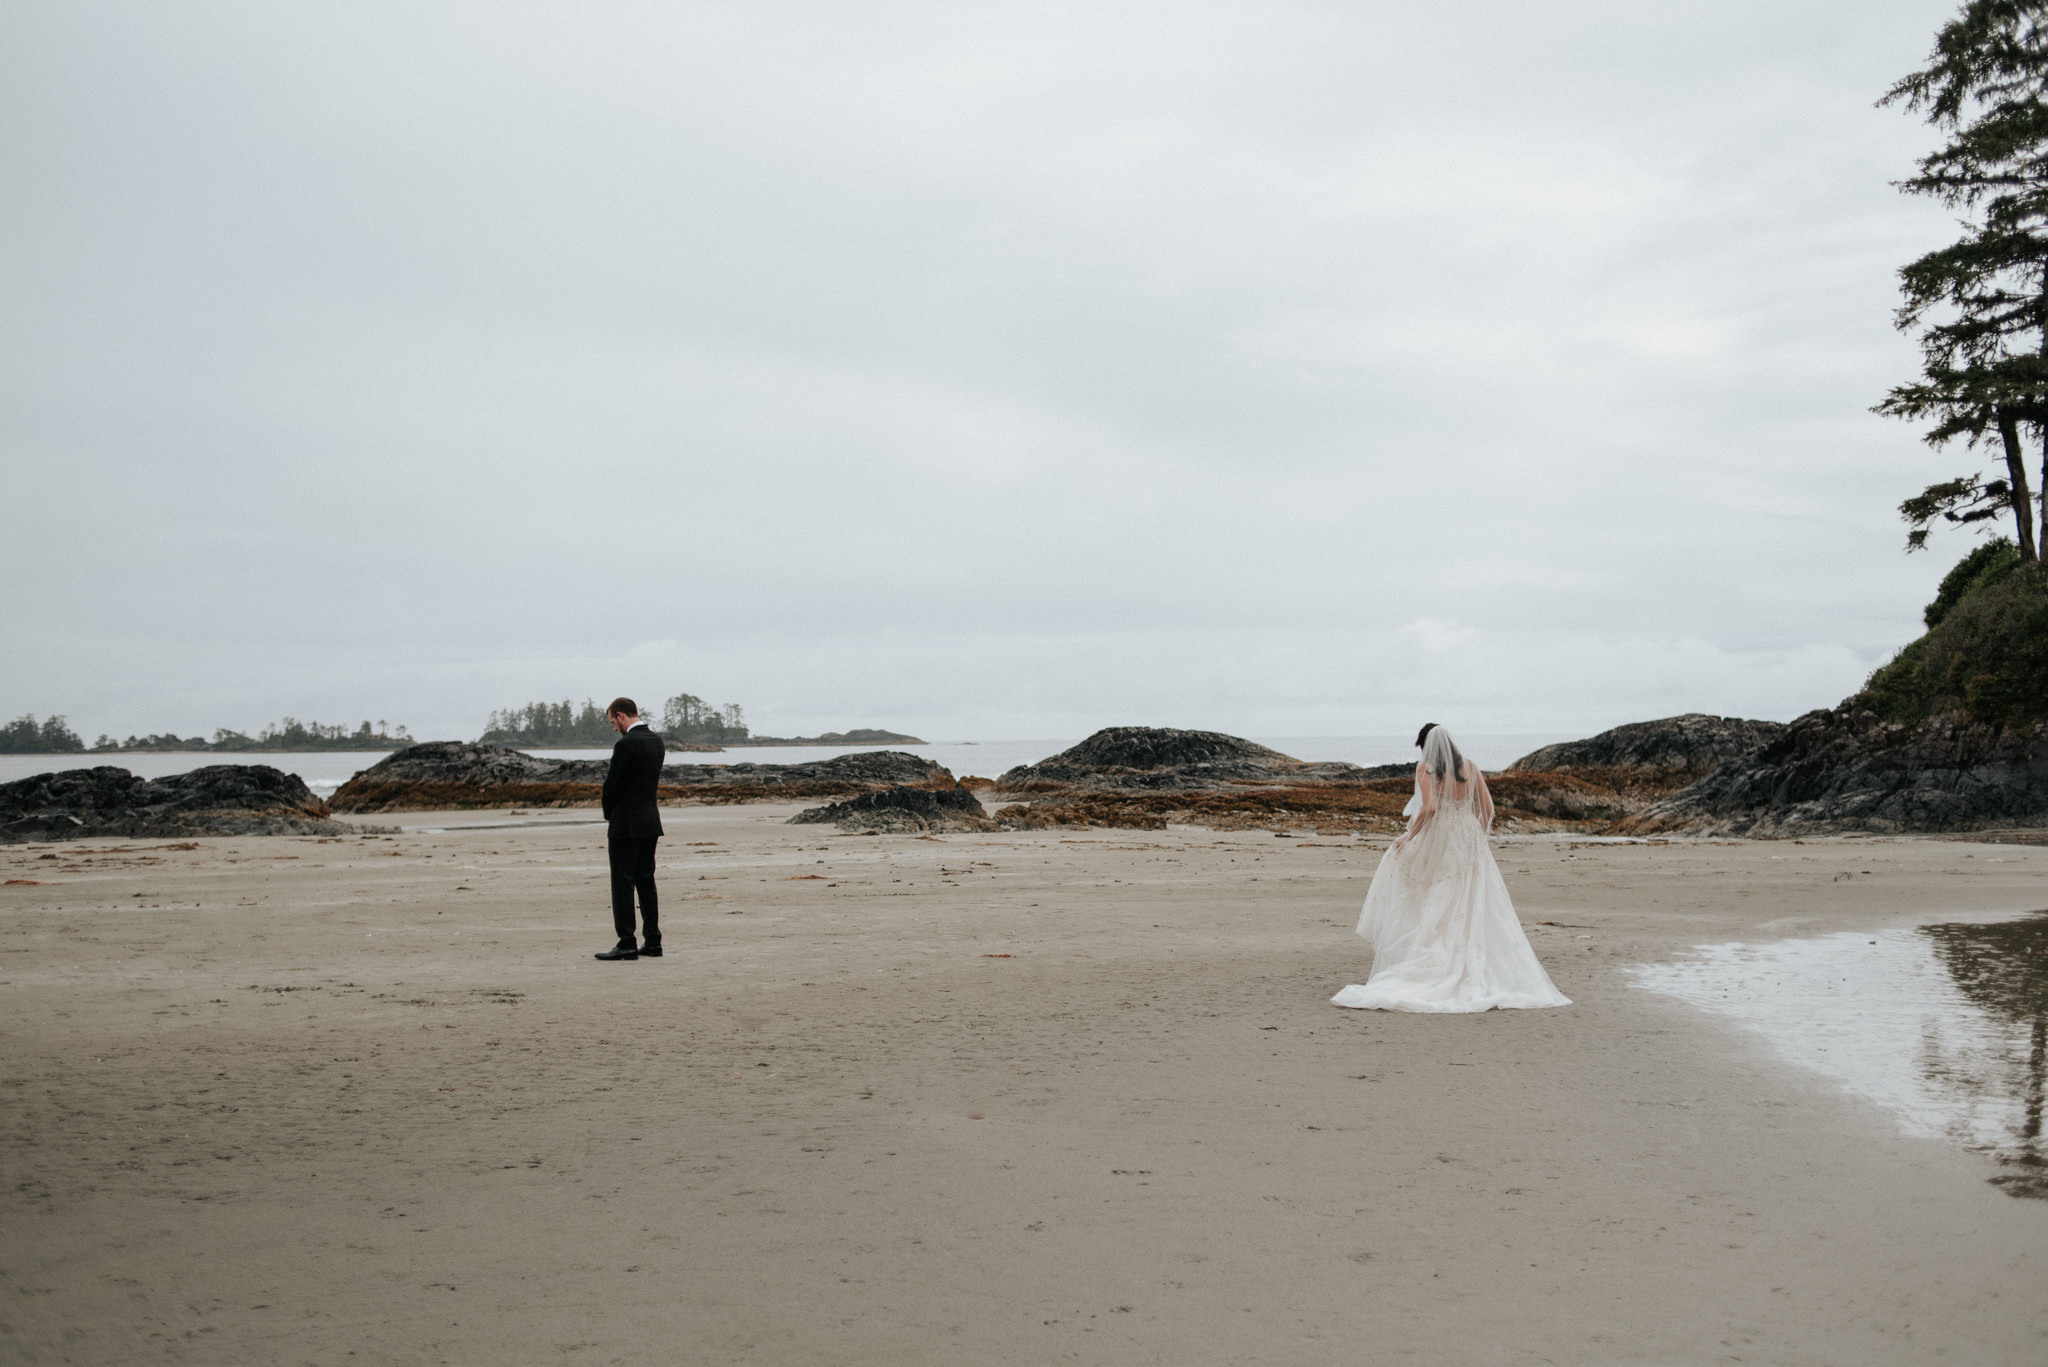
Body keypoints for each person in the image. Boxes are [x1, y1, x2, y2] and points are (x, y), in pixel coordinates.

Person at [1330, 723, 1569, 1012]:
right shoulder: (1471, 767)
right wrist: (1475, 837)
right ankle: (1472, 961)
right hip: (1469, 839)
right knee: (1471, 902)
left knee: (1435, 897)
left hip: (1441, 838)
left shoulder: (1427, 770)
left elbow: (1429, 809)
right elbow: (1489, 809)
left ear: (1425, 746)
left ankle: (1437, 960)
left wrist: (1409, 835)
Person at [594, 697, 665, 962]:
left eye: (613, 722)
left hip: (626, 822)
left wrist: (608, 813)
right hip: (649, 820)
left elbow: (612, 785)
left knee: (622, 883)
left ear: (622, 716)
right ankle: (653, 940)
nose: (614, 728)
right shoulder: (656, 741)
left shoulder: (626, 745)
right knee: (646, 880)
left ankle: (626, 942)